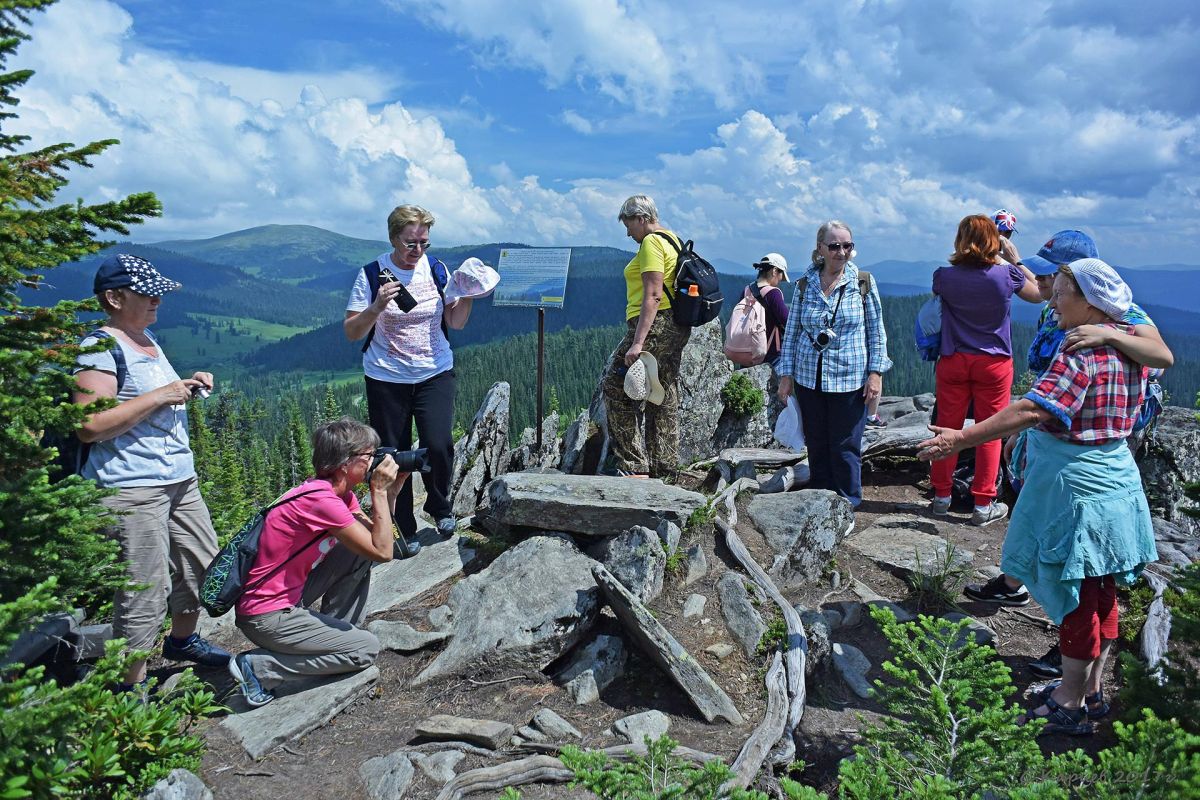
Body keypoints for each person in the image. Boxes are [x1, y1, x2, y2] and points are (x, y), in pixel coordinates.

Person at [917, 259, 1158, 736]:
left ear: (1088, 301)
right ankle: (1093, 691)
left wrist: (960, 439)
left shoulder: (1081, 352)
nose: (1051, 300)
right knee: (1101, 588)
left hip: (1077, 489)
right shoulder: (1132, 344)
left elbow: (1032, 408)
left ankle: (1067, 702)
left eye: (1061, 292)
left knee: (1075, 596)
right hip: (1117, 481)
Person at [73, 253, 231, 689]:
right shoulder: (99, 347)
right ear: (114, 297)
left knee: (202, 564)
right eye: (147, 292)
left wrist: (186, 384)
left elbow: (149, 400)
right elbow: (90, 426)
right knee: (144, 588)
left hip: (178, 477)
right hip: (131, 486)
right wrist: (164, 394)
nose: (158, 298)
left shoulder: (146, 339)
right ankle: (131, 688)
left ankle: (182, 641)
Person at [227, 419, 407, 707]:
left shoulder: (334, 493)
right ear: (345, 463)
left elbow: (375, 538)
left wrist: (391, 492)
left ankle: (338, 632)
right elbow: (384, 552)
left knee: (356, 551)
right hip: (266, 615)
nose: (375, 462)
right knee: (365, 651)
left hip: (288, 596)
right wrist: (378, 492)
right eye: (369, 456)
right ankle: (259, 669)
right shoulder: (320, 501)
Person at [343, 205, 472, 551]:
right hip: (386, 377)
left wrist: (470, 292)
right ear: (393, 238)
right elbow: (352, 332)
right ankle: (402, 528)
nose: (417, 251)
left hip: (434, 371)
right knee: (392, 456)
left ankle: (439, 506)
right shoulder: (372, 274)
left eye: (424, 243)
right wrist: (376, 308)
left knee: (440, 444)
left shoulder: (438, 270)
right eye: (410, 243)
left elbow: (456, 322)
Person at [927, 215, 1043, 525]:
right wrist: (1015, 260)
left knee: (946, 426)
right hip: (993, 363)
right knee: (991, 430)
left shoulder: (943, 277)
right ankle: (982, 503)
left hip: (953, 359)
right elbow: (1039, 294)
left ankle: (940, 496)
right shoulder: (1006, 276)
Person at [777, 220, 891, 508]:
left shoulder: (863, 282)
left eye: (847, 246)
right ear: (820, 249)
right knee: (816, 443)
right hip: (808, 377)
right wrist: (786, 374)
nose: (841, 252)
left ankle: (847, 504)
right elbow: (791, 331)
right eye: (835, 246)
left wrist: (875, 374)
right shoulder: (805, 284)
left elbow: (876, 330)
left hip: (849, 378)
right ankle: (819, 501)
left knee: (845, 446)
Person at [602, 194, 691, 478]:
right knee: (662, 391)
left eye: (629, 225)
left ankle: (633, 465)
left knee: (615, 387)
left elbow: (653, 294)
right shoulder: (673, 239)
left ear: (641, 218)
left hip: (655, 326)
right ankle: (664, 466)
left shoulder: (652, 243)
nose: (628, 232)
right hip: (675, 326)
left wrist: (638, 343)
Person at [751, 253, 790, 366]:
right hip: (770, 353)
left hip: (748, 352)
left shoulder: (747, 290)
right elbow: (787, 321)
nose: (780, 280)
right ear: (774, 271)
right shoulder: (773, 293)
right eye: (781, 274)